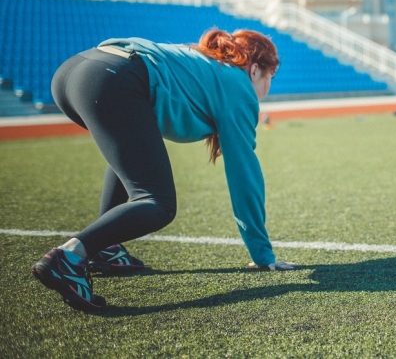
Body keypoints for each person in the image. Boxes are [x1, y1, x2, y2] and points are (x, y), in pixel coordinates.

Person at [31, 29, 296, 312]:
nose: (267, 87)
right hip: (113, 77)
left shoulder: (203, 64)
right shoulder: (238, 84)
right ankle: (67, 257)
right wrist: (262, 253)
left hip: (75, 72)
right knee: (158, 203)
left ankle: (104, 248)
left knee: (131, 154)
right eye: (270, 77)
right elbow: (244, 176)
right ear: (255, 70)